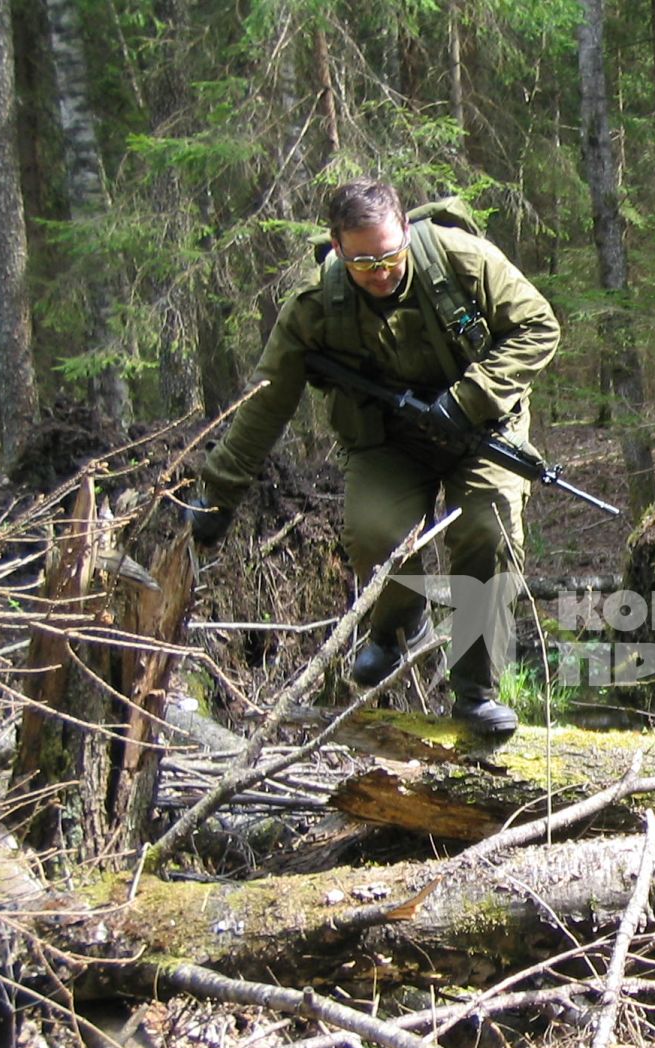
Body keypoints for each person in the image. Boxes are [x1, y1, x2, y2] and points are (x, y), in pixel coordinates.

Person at [189, 178, 561, 735]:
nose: (381, 271)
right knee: (373, 530)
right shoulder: (316, 306)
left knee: (486, 532)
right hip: (390, 442)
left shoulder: (462, 260)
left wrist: (467, 401)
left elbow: (538, 327)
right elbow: (265, 403)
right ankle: (394, 625)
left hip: (484, 427)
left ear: (405, 231)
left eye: (390, 255)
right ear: (337, 248)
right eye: (364, 262)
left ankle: (475, 693)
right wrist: (217, 496)